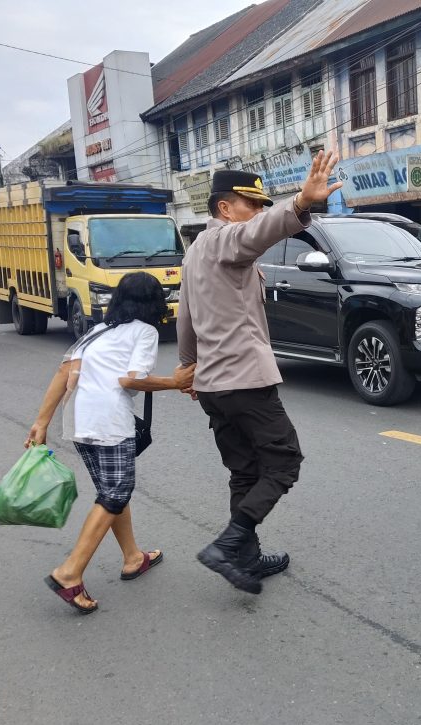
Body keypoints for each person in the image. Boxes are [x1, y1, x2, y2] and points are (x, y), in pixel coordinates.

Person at [179, 152, 343, 594]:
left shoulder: (195, 251)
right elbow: (260, 230)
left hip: (214, 384)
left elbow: (187, 318)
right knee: (285, 460)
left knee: (246, 472)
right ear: (224, 209)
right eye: (250, 204)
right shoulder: (224, 240)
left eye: (260, 204)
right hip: (245, 381)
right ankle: (228, 545)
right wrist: (298, 205)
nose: (256, 211)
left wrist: (188, 368)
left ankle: (246, 559)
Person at [27, 273, 195, 613]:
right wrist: (175, 382)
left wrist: (40, 423)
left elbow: (63, 374)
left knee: (112, 492)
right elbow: (131, 379)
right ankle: (69, 573)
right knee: (115, 493)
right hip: (109, 421)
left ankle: (133, 557)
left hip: (78, 420)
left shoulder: (96, 332)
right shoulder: (144, 331)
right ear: (154, 303)